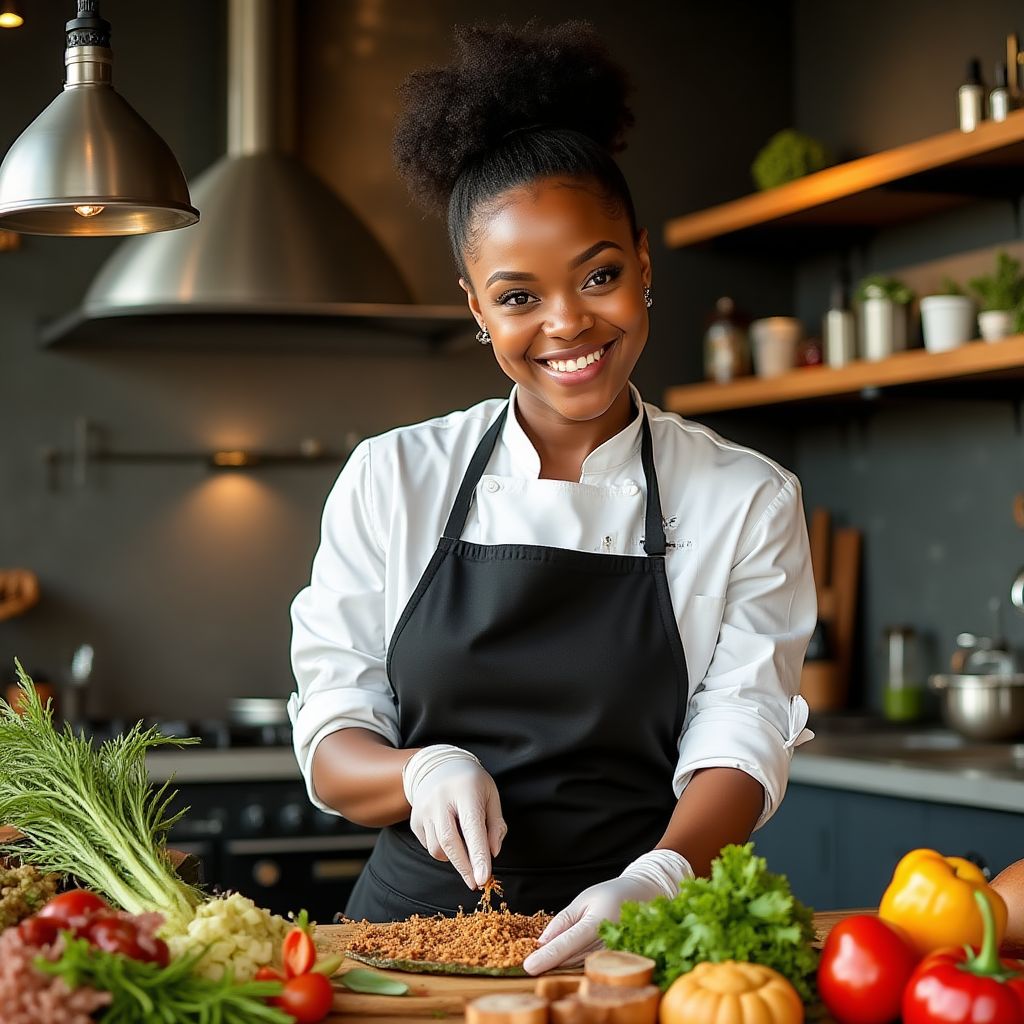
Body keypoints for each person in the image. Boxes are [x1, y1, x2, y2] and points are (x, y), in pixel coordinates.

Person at [288, 20, 815, 974]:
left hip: (641, 942)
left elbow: (744, 728)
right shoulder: (393, 477)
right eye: (519, 296)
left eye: (600, 276)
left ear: (645, 264)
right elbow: (332, 736)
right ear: (476, 307)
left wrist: (657, 879)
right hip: (410, 947)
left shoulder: (746, 496)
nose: (568, 323)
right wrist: (422, 770)